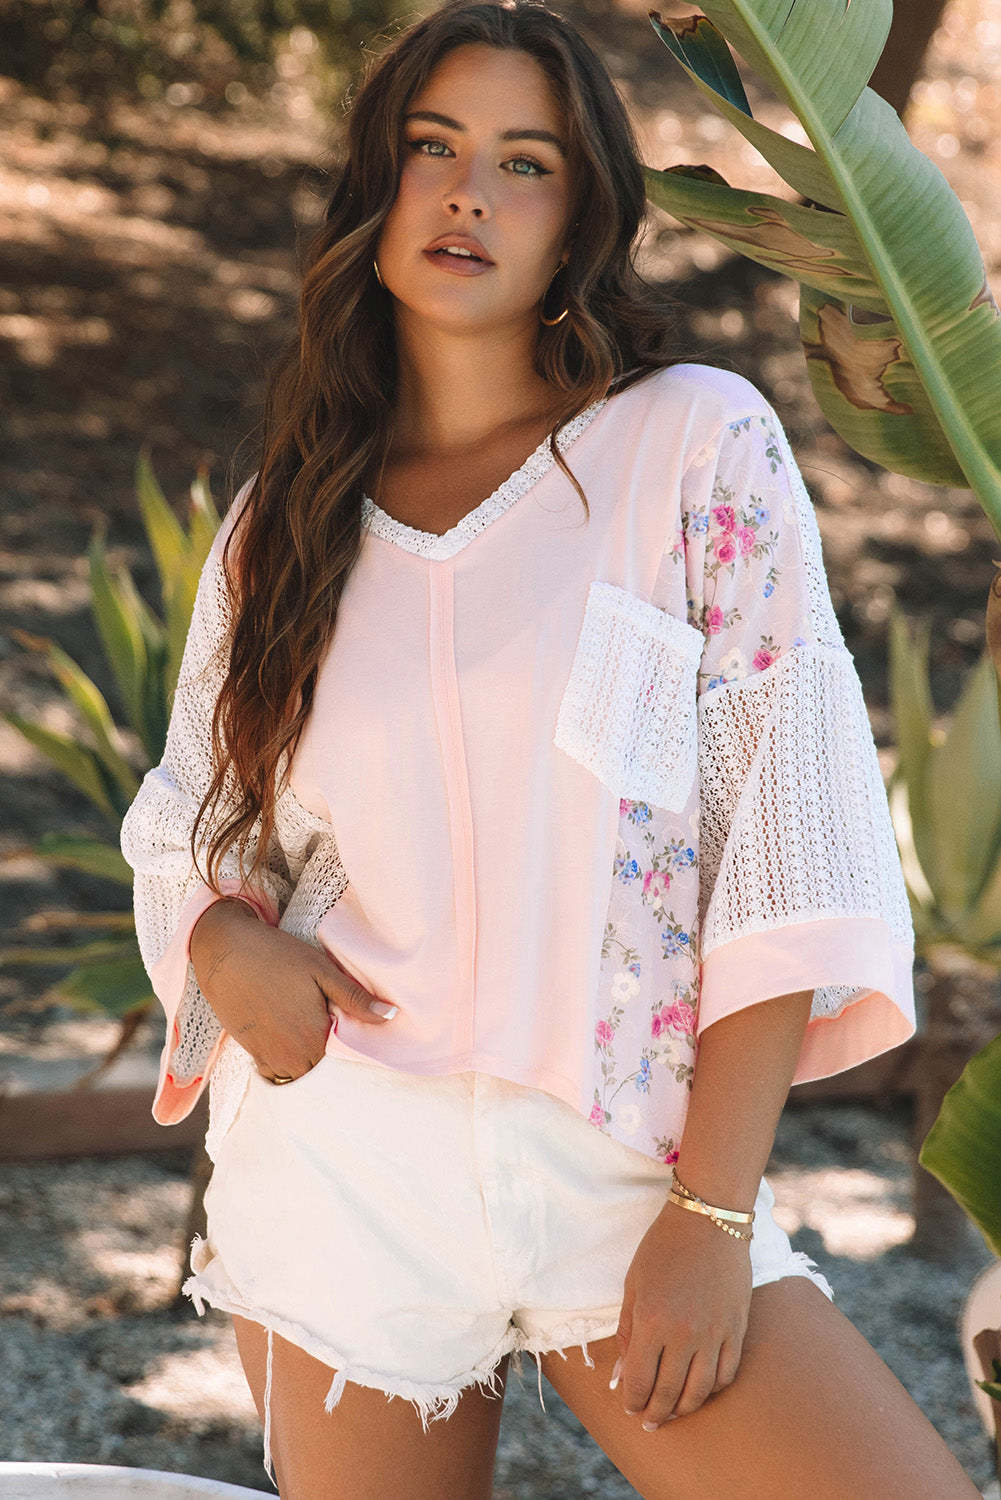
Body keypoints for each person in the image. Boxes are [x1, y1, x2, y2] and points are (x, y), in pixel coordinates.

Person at [118, 2, 982, 1496]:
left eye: (525, 163)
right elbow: (191, 810)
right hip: (347, 1166)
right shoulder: (286, 521)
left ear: (579, 222)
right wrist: (215, 939)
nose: (470, 194)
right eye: (434, 147)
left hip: (629, 1170)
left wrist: (712, 1215)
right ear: (377, 184)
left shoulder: (690, 446)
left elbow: (781, 840)